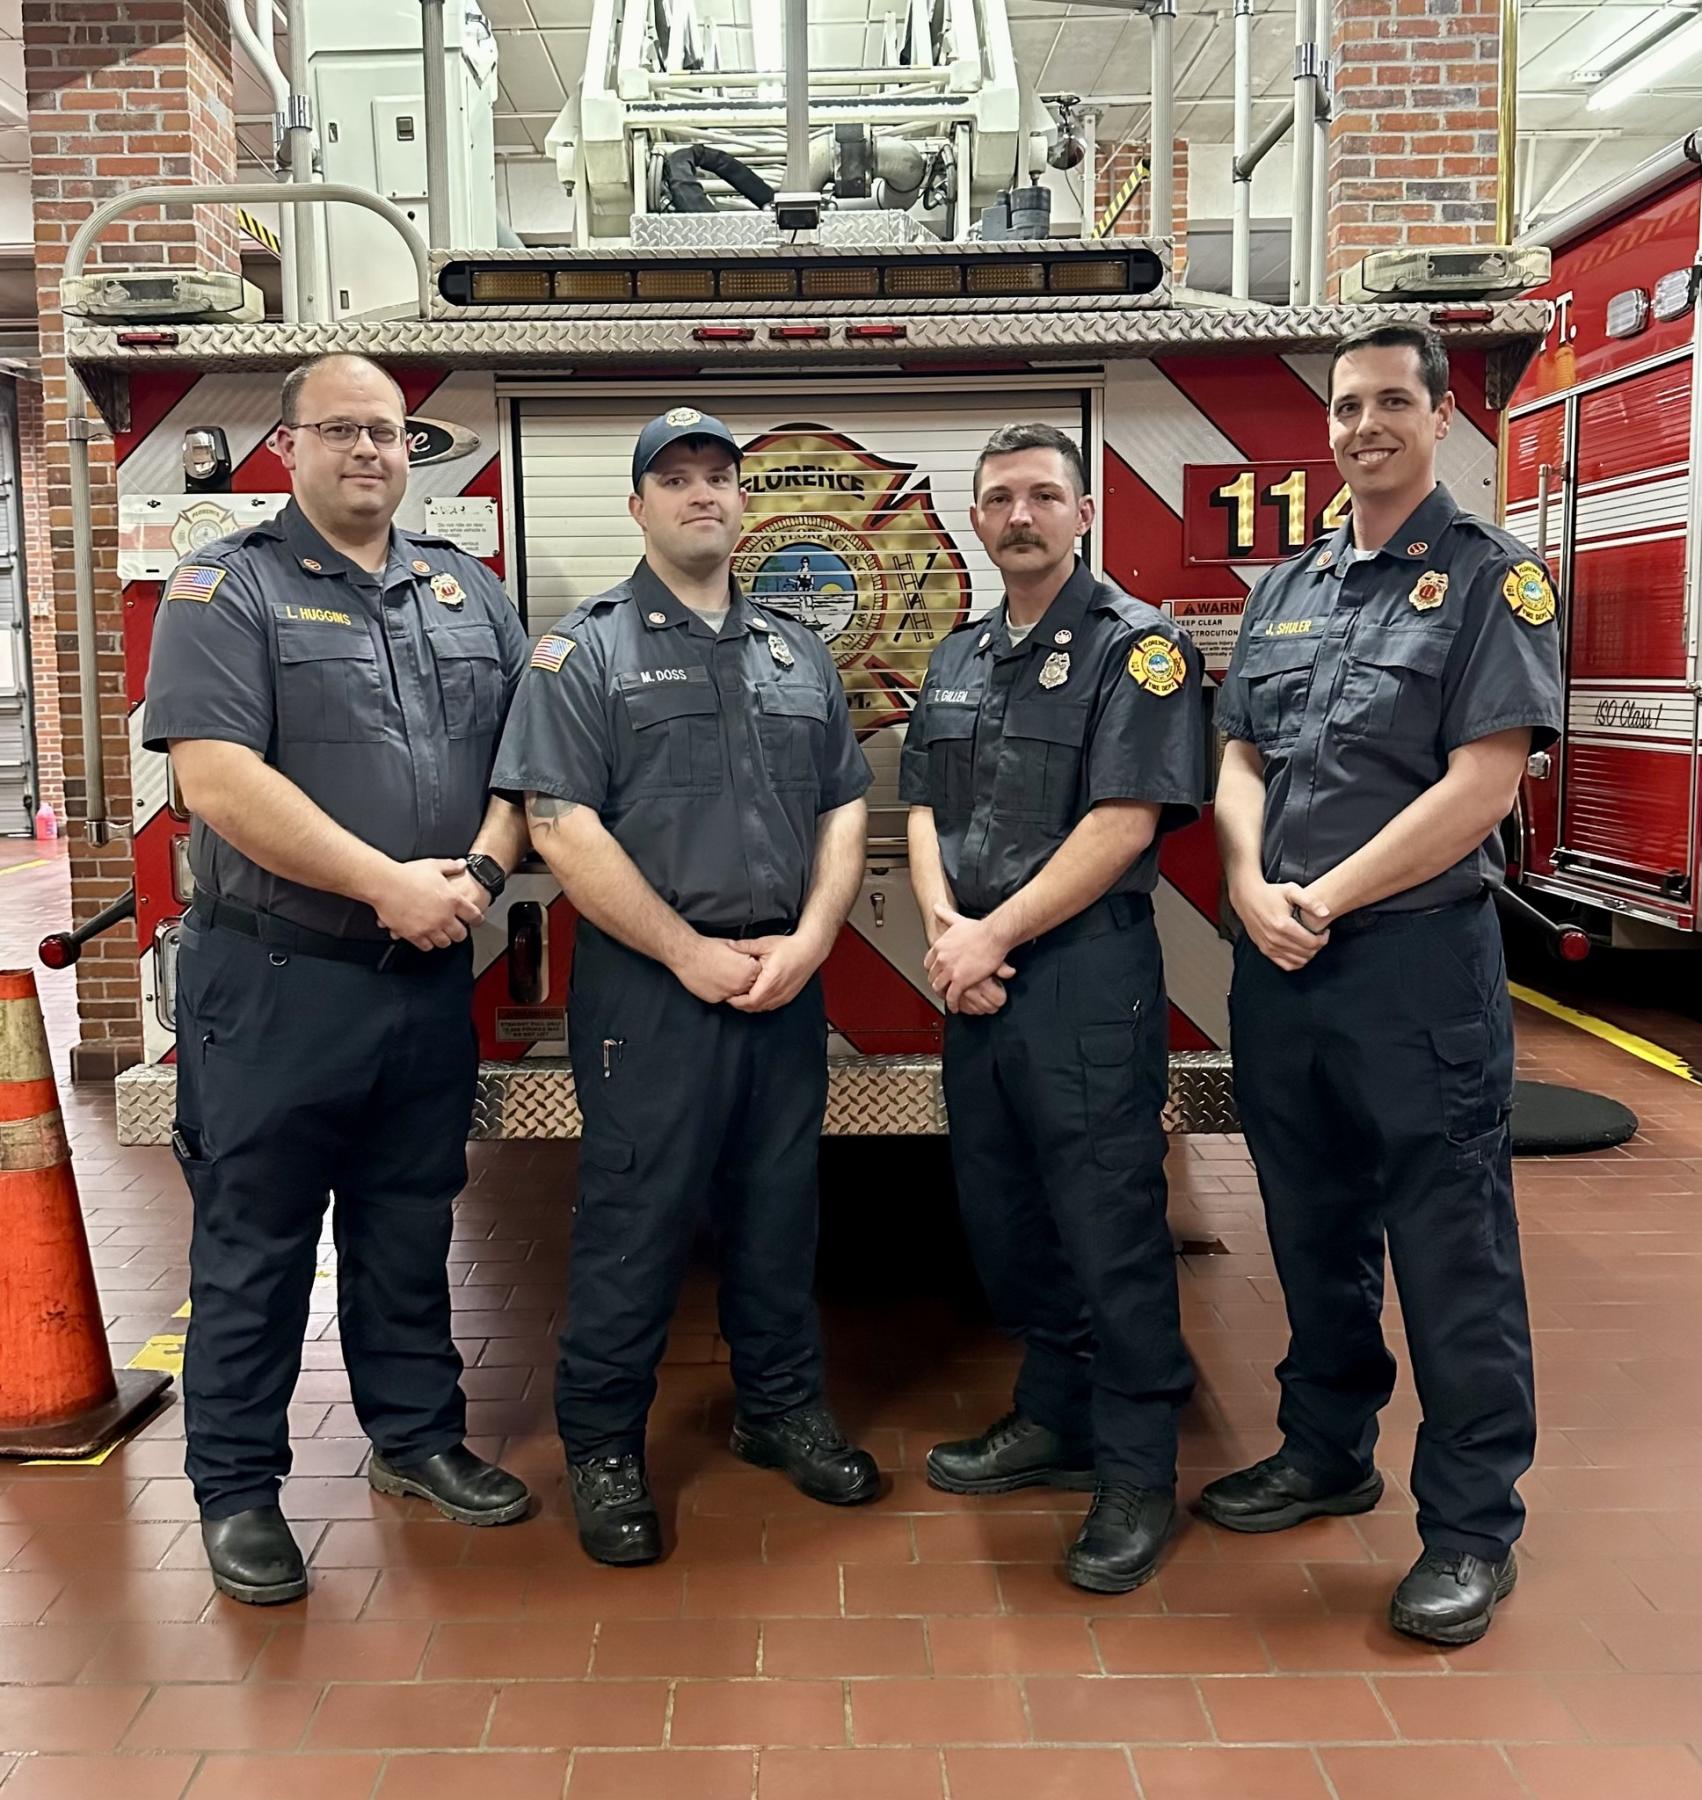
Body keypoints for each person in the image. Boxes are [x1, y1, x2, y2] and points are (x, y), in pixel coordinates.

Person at [143, 353, 533, 1605]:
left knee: (409, 1223)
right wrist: (389, 885)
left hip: (421, 977)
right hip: (274, 979)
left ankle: (415, 1439)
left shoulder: (467, 592)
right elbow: (214, 778)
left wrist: (472, 870)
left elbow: (526, 764)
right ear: (289, 448)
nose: (369, 451)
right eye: (343, 431)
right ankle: (239, 1492)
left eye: (389, 432)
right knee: (254, 1244)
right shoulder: (226, 591)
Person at [1201, 324, 1562, 1646]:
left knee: (1449, 1247)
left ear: (1436, 420)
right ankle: (1323, 1447)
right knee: (1310, 1227)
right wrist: (1247, 885)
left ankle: (1469, 1529)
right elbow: (1237, 754)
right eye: (1346, 404)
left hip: (1410, 964)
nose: (1363, 423)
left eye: (1389, 402)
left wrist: (1324, 898)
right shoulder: (1285, 586)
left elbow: (1483, 781)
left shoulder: (1488, 584)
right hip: (1280, 960)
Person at [491, 406, 879, 1567]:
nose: (702, 493)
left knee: (779, 1212)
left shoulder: (794, 649)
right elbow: (560, 827)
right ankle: (605, 1448)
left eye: (720, 476)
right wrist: (683, 951)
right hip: (653, 986)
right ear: (638, 508)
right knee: (634, 1219)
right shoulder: (585, 650)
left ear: (742, 503)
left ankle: (779, 1410)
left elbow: (842, 804)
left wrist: (813, 937)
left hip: (783, 977)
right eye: (676, 478)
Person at [902, 422, 1205, 1594]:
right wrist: (944, 934)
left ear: (1083, 514)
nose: (1018, 516)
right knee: (1004, 1216)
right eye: (997, 500)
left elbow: (1123, 823)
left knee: (1107, 1226)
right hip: (974, 978)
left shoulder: (1140, 650)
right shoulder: (958, 656)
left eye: (1040, 496)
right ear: (975, 522)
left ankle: (1134, 1472)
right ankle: (1053, 1414)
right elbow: (921, 806)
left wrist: (992, 934)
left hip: (1080, 975)